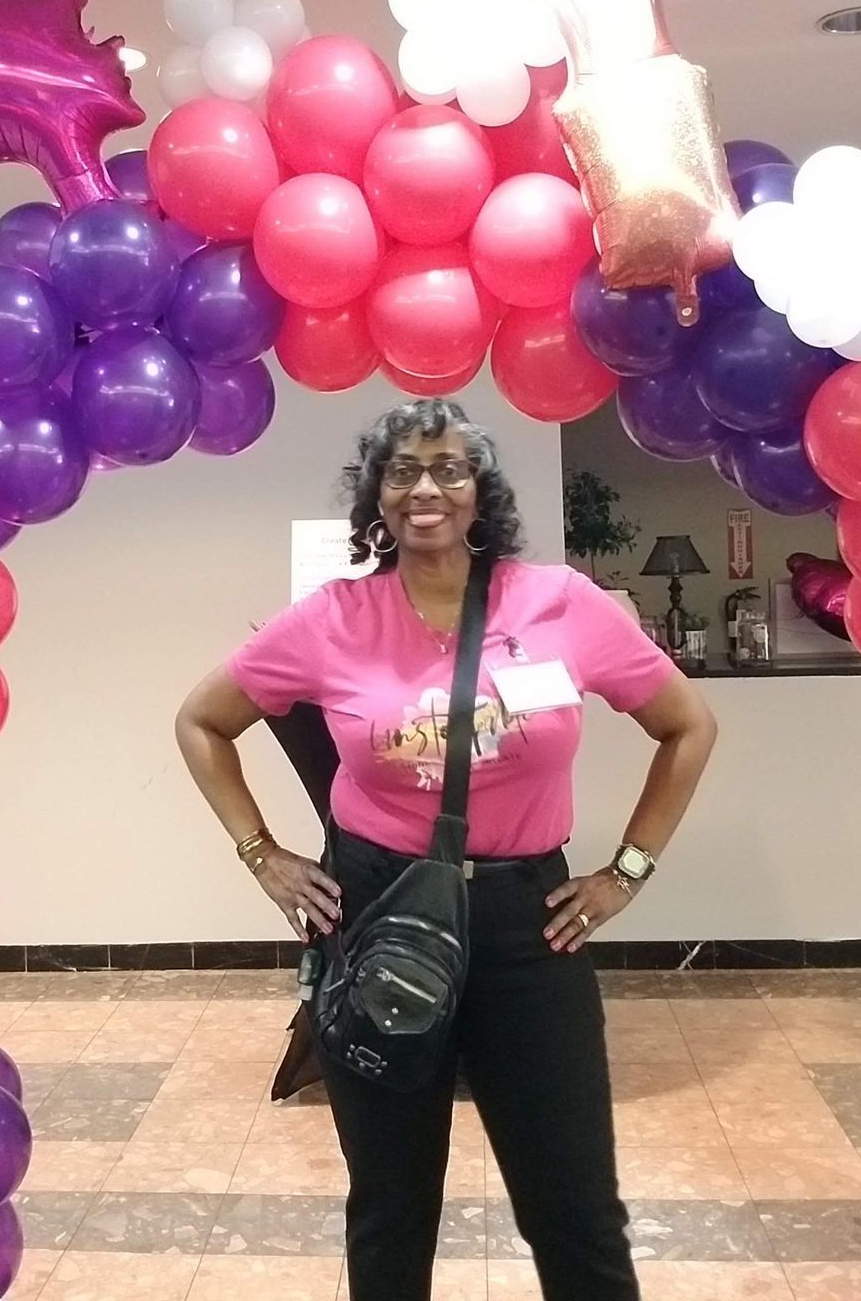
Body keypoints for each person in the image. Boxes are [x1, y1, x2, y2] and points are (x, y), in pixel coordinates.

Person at [175, 399, 718, 1301]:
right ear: (377, 496)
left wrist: (627, 871)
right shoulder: (332, 618)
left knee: (574, 1205)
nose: (426, 486)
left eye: (449, 468)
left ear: (480, 491)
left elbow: (688, 726)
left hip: (529, 929)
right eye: (402, 471)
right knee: (391, 1205)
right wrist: (262, 852)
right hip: (376, 913)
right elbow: (202, 721)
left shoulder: (561, 604)